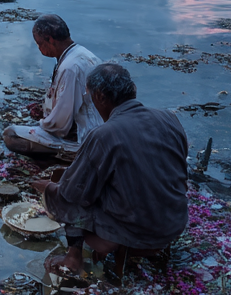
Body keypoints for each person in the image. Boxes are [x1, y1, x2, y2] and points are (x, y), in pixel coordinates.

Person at [34, 63, 190, 277]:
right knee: (79, 180)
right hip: (174, 222)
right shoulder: (169, 118)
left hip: (137, 231)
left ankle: (73, 256)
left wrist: (49, 188)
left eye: (90, 97)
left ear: (100, 97)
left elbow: (72, 192)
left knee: (66, 190)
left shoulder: (104, 135)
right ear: (132, 90)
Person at [3, 14, 102, 155]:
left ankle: (71, 158)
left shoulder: (70, 68)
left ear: (49, 39)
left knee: (11, 134)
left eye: (39, 43)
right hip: (101, 130)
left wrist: (42, 123)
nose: (39, 48)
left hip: (87, 140)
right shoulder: (83, 54)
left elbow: (60, 126)